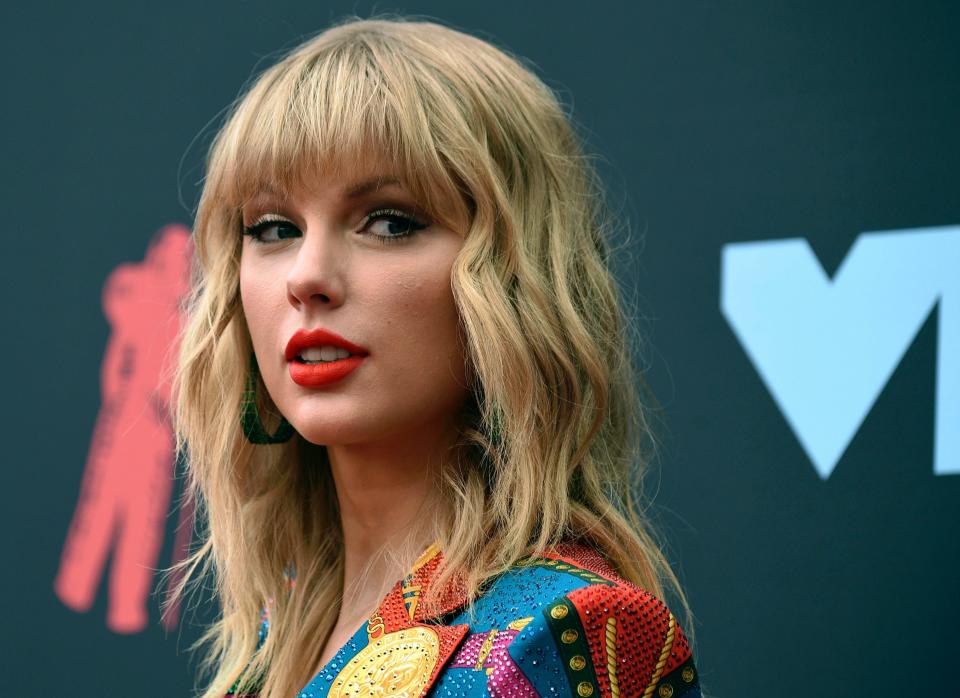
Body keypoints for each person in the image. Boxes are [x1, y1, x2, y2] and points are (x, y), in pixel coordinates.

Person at [169, 15, 702, 698]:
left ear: (513, 277)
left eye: (390, 222)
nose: (307, 275)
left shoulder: (568, 634)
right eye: (274, 228)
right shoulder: (270, 649)